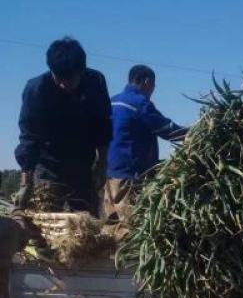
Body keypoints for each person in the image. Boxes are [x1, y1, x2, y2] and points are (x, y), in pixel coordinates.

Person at [14, 37, 112, 214]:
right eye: (58, 78)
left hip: (83, 161)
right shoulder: (37, 90)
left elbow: (103, 125)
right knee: (46, 219)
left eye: (69, 79)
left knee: (84, 223)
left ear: (81, 71)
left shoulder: (95, 82)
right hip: (48, 164)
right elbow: (29, 136)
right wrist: (25, 182)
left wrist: (102, 164)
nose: (63, 84)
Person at [105, 65, 188, 221]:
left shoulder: (112, 102)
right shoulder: (139, 103)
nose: (152, 91)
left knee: (111, 226)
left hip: (110, 176)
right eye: (153, 86)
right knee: (130, 227)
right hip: (129, 176)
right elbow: (166, 129)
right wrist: (191, 134)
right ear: (147, 82)